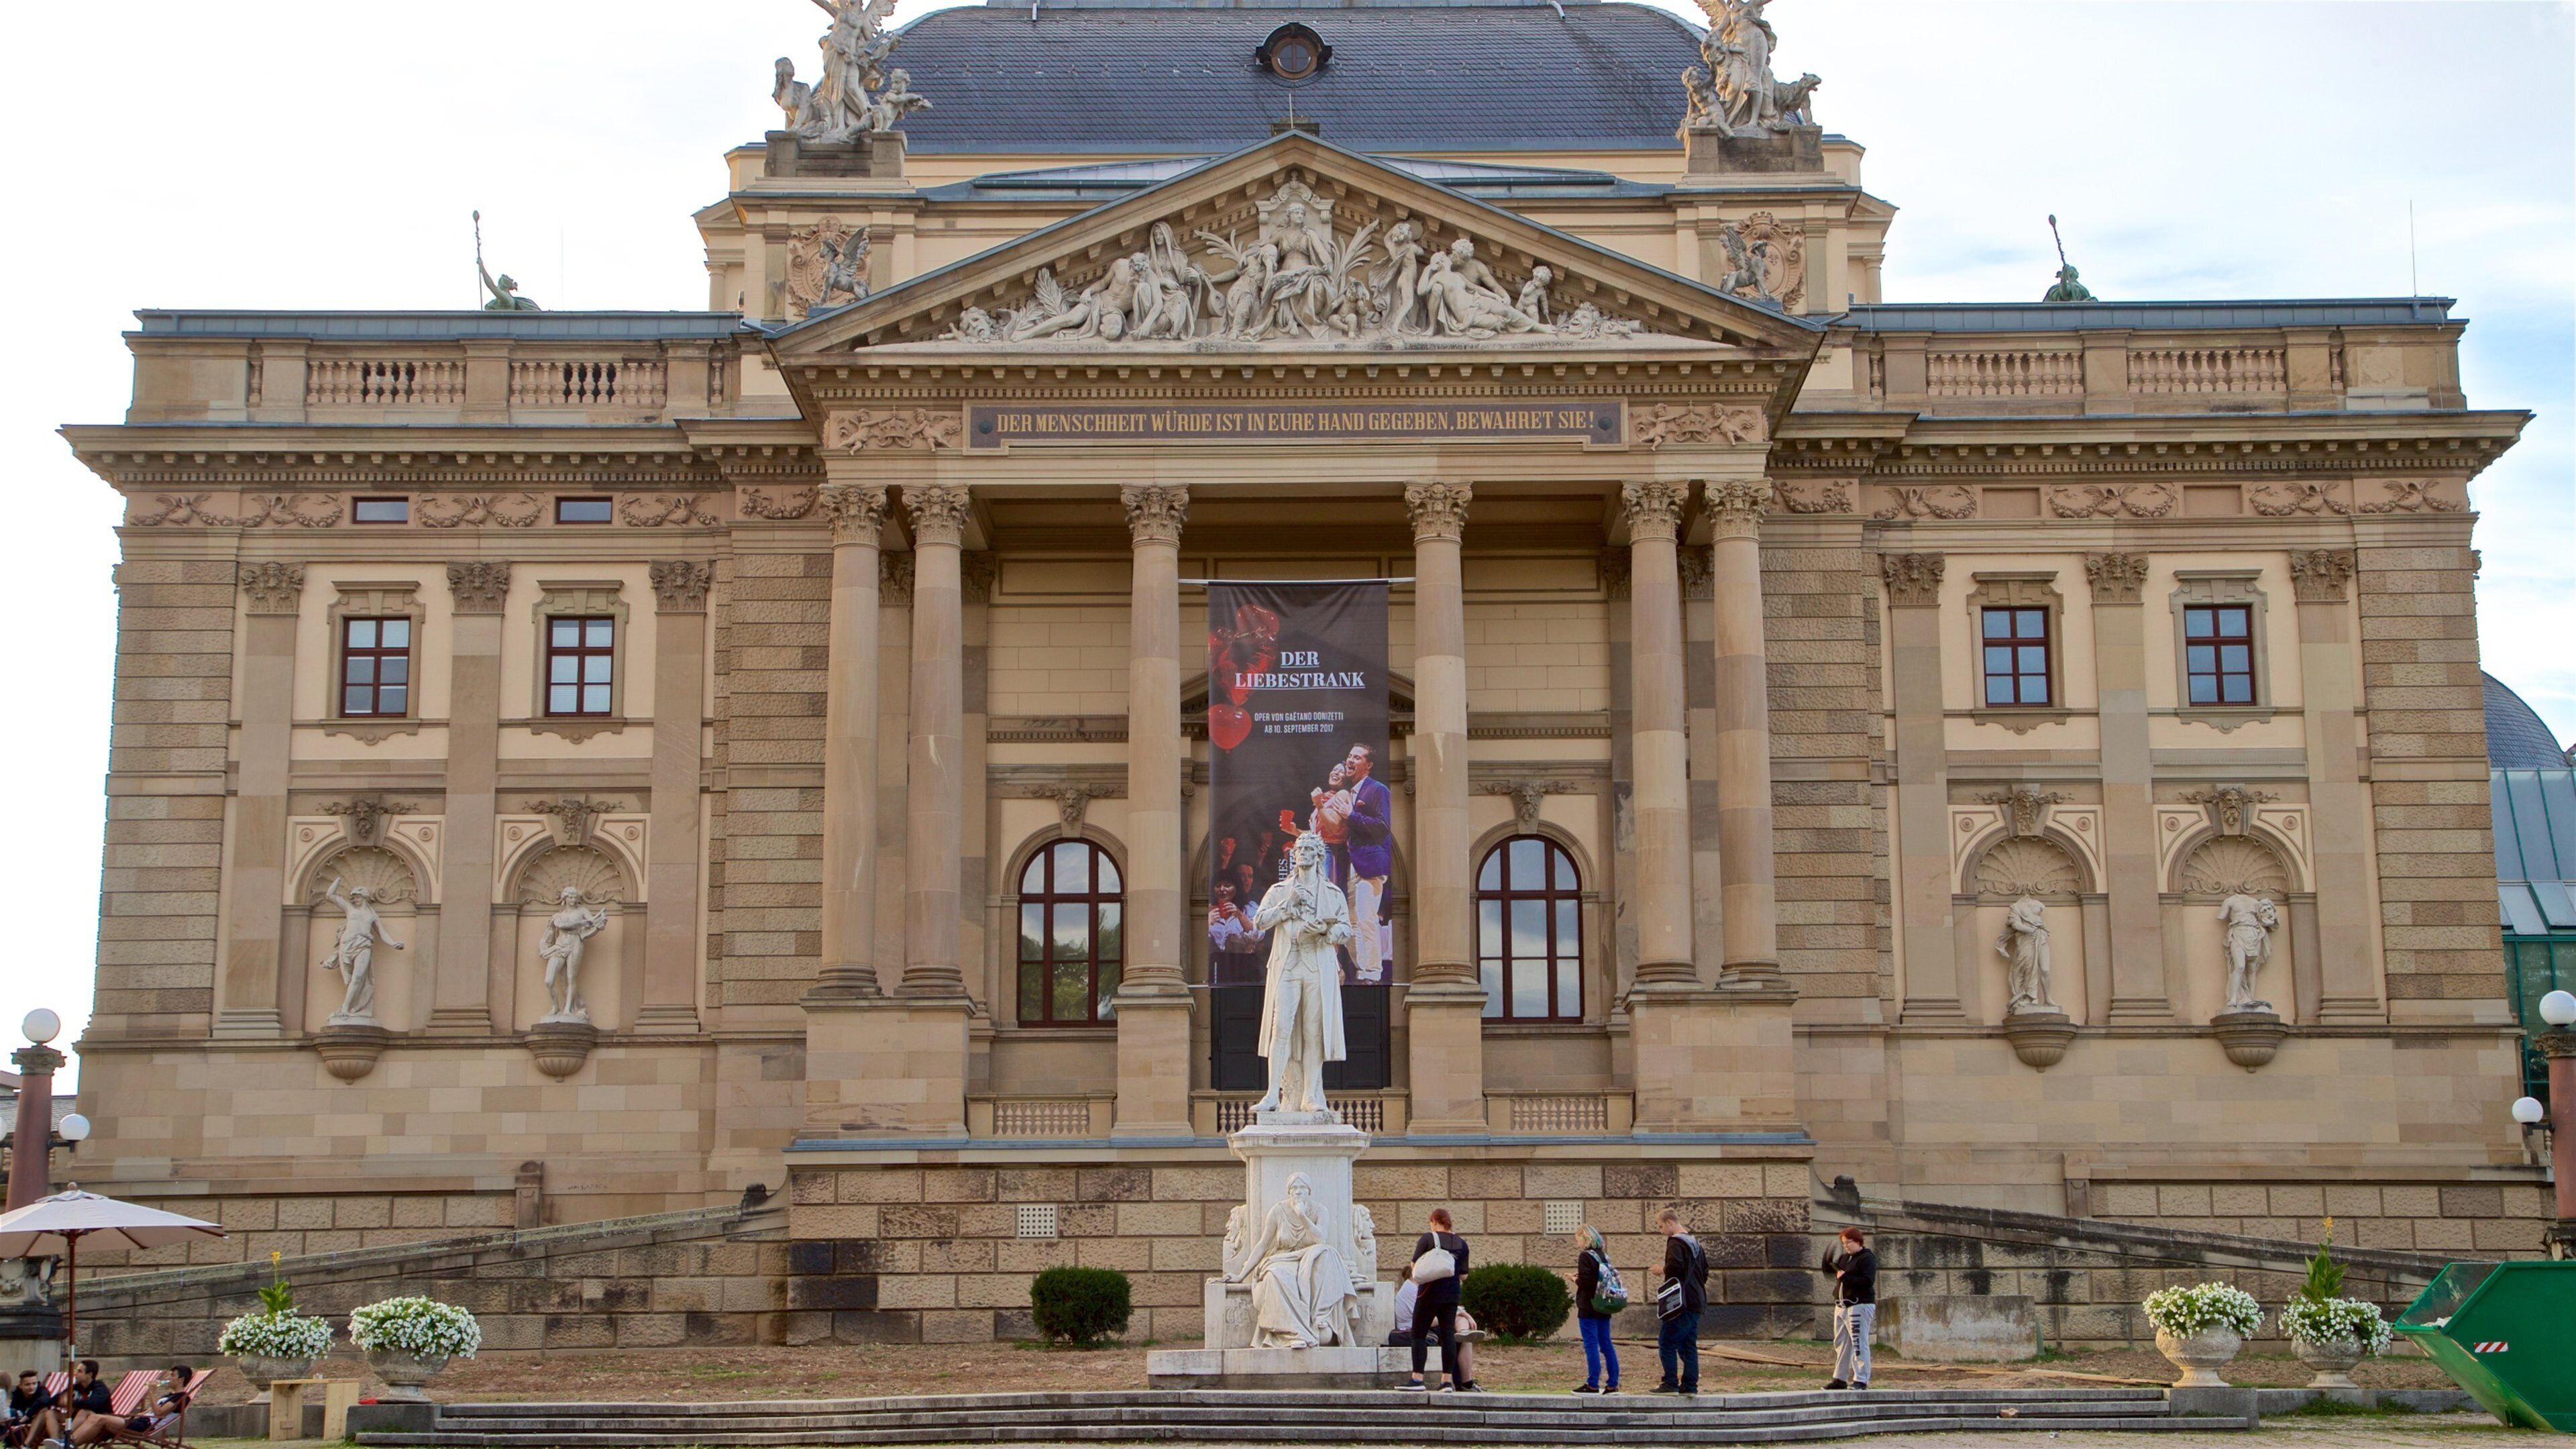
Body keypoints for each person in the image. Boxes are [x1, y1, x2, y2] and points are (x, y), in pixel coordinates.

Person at [1405, 1208, 1477, 1391]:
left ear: (1436, 1222)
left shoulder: (1428, 1239)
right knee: (1448, 1336)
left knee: (1418, 1334)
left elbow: (1414, 1266)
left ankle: (1417, 1378)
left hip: (1429, 1292)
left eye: (1431, 1223)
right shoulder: (1462, 1244)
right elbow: (1464, 1276)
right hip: (1452, 1294)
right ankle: (1447, 1381)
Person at [1651, 1208, 1707, 1395]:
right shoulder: (1695, 1243)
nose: (1661, 1231)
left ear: (1670, 1222)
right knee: (1688, 1344)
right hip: (1697, 1300)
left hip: (1681, 1302)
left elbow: (1675, 1269)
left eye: (1661, 1226)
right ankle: (1690, 1386)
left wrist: (1662, 1270)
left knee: (1666, 1341)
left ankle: (1670, 1383)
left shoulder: (1675, 1242)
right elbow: (1705, 1271)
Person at [70, 1364, 191, 1446]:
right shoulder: (168, 1396)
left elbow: (159, 1414)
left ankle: (68, 1444)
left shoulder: (182, 1397)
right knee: (85, 1412)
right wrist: (126, 1418)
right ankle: (65, 1440)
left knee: (98, 1418)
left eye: (172, 1375)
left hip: (144, 1426)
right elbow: (147, 1413)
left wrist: (151, 1392)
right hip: (137, 1421)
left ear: (181, 1380)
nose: (169, 1378)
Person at [1821, 1227, 1878, 1391]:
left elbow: (1867, 1281)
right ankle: (1840, 1378)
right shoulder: (1846, 1258)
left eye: (1848, 1243)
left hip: (1859, 1305)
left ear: (1858, 1241)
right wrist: (1828, 1262)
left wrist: (1846, 1277)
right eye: (1843, 1243)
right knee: (1841, 1343)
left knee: (1858, 1343)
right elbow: (1834, 1272)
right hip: (1842, 1305)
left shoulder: (1867, 1258)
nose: (1845, 1246)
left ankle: (1861, 1379)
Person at [1572, 1224, 1622, 1393]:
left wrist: (1574, 1279)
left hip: (1588, 1306)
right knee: (1606, 1344)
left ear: (1585, 1239)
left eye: (1578, 1240)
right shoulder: (1603, 1256)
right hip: (1603, 1305)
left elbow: (1587, 1283)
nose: (1577, 1244)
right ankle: (1613, 1383)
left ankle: (1593, 1383)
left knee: (1591, 1345)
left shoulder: (1585, 1256)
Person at [27, 1362, 108, 1449]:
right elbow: (52, 1400)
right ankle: (56, 1442)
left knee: (84, 1411)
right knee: (50, 1413)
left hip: (96, 1424)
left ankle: (65, 1438)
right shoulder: (76, 1387)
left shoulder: (100, 1388)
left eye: (79, 1371)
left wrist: (71, 1402)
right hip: (76, 1420)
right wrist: (61, 1399)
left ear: (89, 1375)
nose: (75, 1373)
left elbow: (93, 1404)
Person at [5, 1372, 48, 1448]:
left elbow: (44, 1400)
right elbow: (13, 1410)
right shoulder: (17, 1394)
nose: (32, 1387)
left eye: (34, 1384)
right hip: (21, 1427)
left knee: (44, 1410)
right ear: (20, 1386)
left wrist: (27, 1415)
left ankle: (25, 1445)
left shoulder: (42, 1390)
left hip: (39, 1427)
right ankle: (11, 1446)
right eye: (27, 1384)